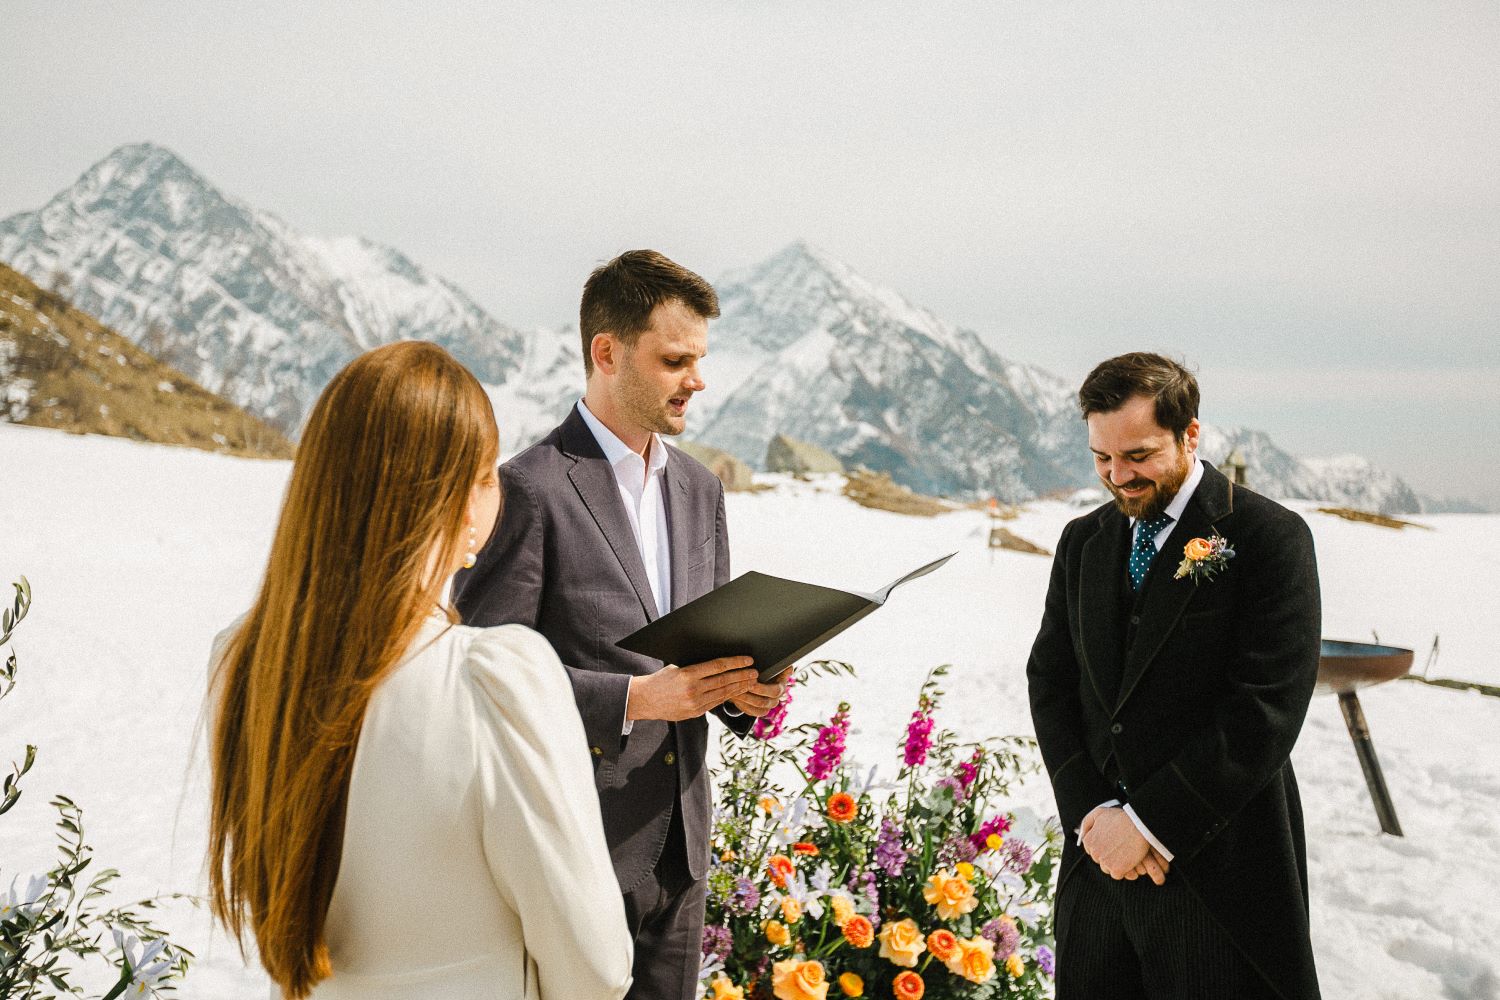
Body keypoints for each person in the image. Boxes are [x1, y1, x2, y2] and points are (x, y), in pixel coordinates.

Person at [206, 341, 632, 1000]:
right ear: (461, 503)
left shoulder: (248, 661)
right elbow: (596, 965)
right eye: (489, 474)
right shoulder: (491, 680)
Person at [455, 250, 788, 1000]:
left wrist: (745, 689)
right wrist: (637, 700)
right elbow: (476, 681)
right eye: (675, 360)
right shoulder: (528, 489)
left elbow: (705, 648)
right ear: (606, 354)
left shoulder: (702, 491)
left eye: (699, 360)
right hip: (568, 854)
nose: (696, 381)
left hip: (682, 854)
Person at [1026, 352, 1321, 1000]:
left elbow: (1266, 707)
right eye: (1101, 458)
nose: (1117, 476)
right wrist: (1095, 816)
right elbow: (1050, 682)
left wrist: (1151, 825)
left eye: (1137, 455)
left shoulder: (1270, 537)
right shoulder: (1083, 541)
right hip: (1097, 865)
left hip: (1219, 877)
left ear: (1191, 434)